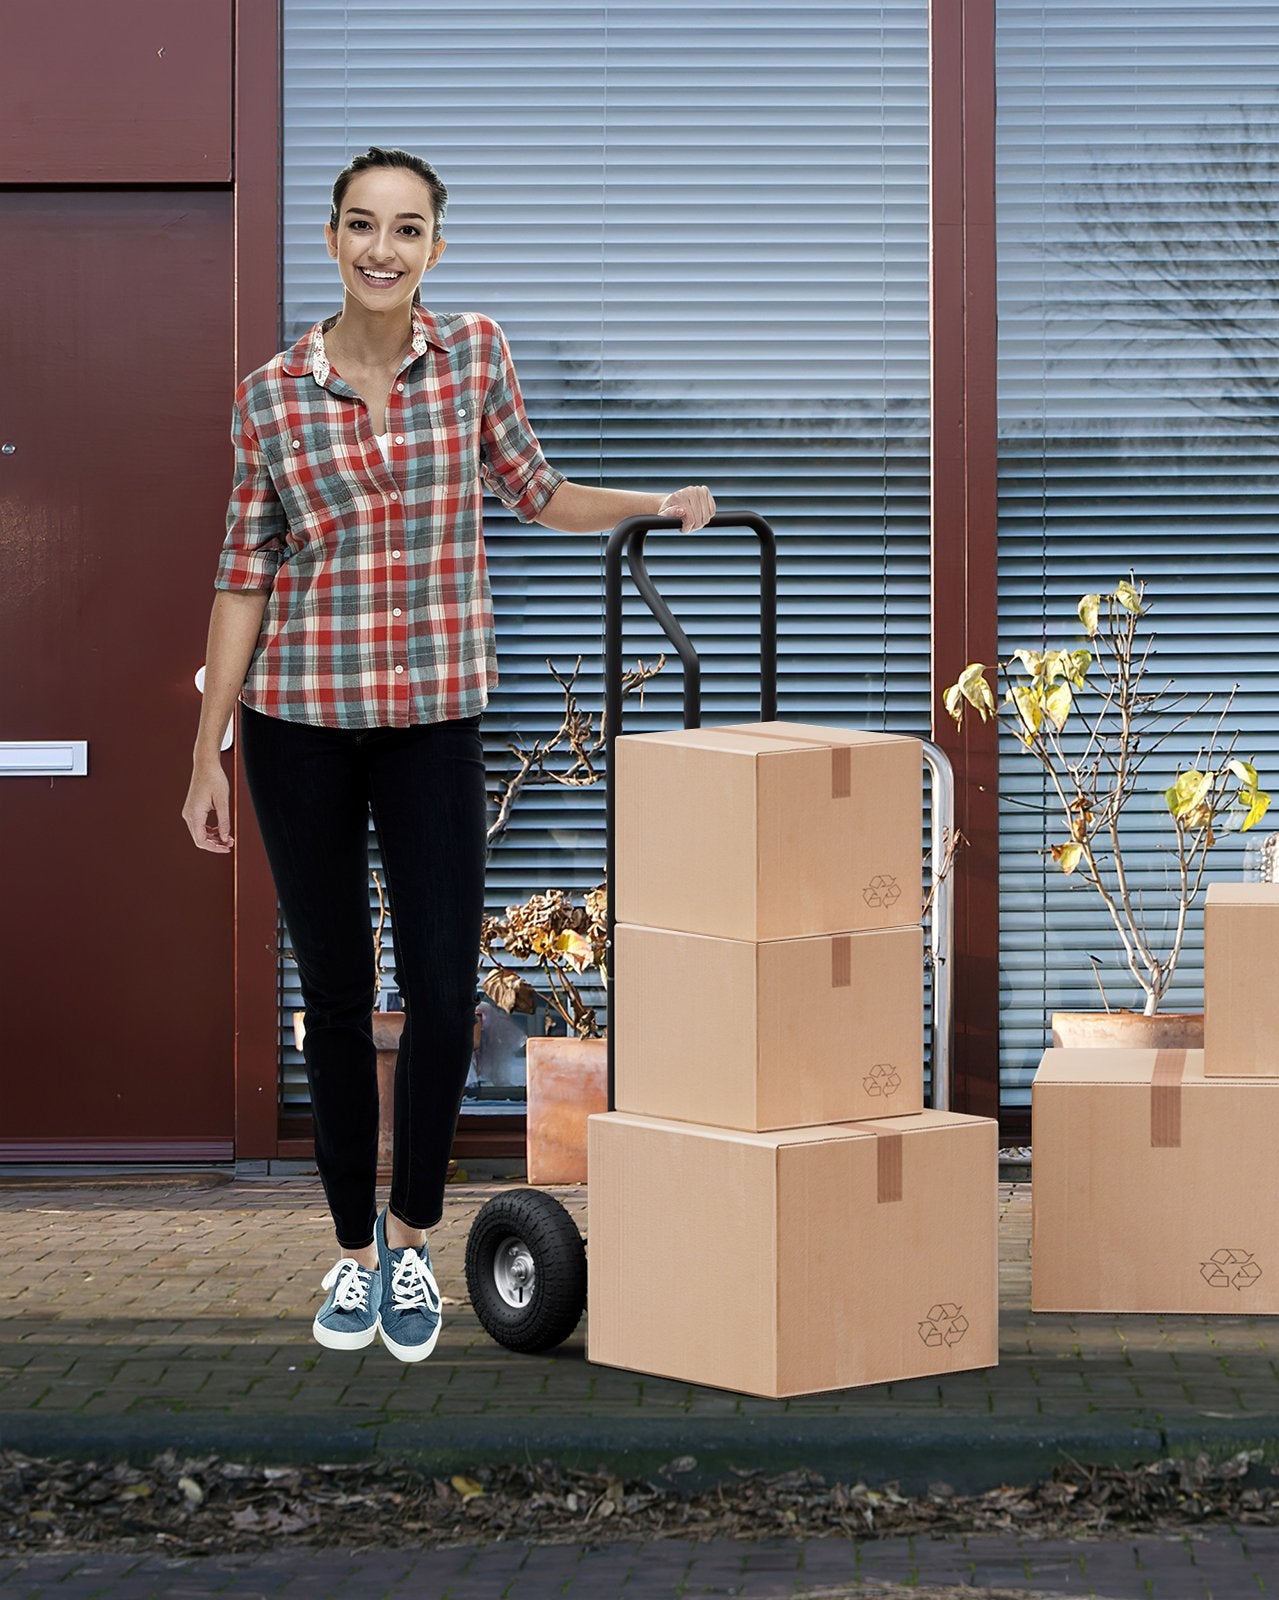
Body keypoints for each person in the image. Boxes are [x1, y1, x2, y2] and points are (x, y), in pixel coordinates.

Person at [181, 146, 716, 1362]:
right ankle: (350, 1256)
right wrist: (204, 748)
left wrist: (652, 503)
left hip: (431, 722)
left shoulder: (472, 355)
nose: (383, 248)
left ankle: (413, 1244)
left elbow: (537, 491)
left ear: (434, 246)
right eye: (363, 226)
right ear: (330, 239)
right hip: (298, 727)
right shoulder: (268, 397)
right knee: (327, 992)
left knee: (436, 988)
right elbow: (241, 578)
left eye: (407, 229)